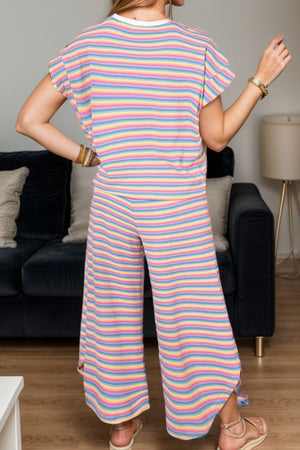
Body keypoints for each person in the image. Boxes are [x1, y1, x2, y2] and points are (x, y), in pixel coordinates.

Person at [16, 1, 292, 449]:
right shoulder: (195, 47)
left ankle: (121, 429)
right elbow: (217, 136)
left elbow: (29, 120)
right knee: (195, 316)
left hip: (113, 200)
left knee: (111, 315)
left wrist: (86, 156)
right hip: (174, 206)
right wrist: (260, 80)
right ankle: (232, 429)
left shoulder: (88, 44)